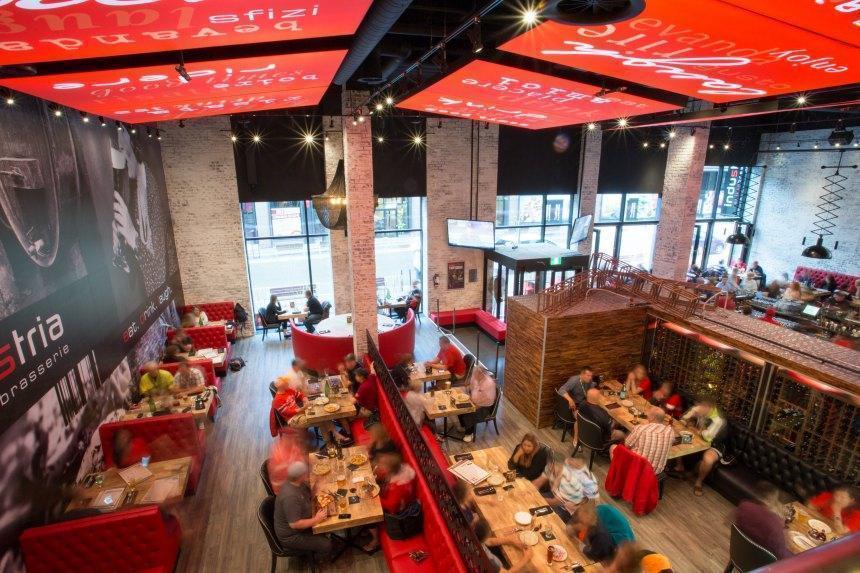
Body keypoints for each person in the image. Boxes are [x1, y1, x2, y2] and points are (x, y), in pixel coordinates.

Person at [273, 461, 332, 558]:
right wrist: (316, 519)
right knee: (327, 545)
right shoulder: (290, 497)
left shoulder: (296, 483)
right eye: (306, 473)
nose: (308, 474)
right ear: (301, 476)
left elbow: (308, 497)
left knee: (326, 525)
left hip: (303, 521)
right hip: (292, 536)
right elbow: (295, 524)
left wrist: (316, 486)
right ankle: (315, 559)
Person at [364, 451, 418, 552]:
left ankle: (375, 541)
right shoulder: (401, 468)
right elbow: (384, 474)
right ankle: (368, 530)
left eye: (383, 465)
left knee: (367, 514)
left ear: (388, 469)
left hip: (398, 513)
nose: (380, 466)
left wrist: (374, 496)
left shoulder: (398, 486)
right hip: (399, 502)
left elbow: (391, 506)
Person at [677, 399, 728, 497]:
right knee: (678, 437)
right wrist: (689, 416)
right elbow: (682, 418)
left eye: (702, 406)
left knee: (708, 459)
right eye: (699, 405)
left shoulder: (718, 420)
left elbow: (708, 437)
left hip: (715, 444)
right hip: (699, 438)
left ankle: (698, 482)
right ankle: (680, 466)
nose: (699, 407)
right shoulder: (700, 409)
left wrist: (695, 430)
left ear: (710, 408)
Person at [734, 481, 791, 559]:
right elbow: (781, 555)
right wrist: (783, 526)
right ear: (769, 499)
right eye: (776, 501)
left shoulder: (743, 506)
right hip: (764, 564)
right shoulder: (774, 524)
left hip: (740, 554)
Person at [615, 407, 674, 475]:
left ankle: (620, 478)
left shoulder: (640, 429)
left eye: (648, 414)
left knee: (613, 448)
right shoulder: (670, 431)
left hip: (638, 469)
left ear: (653, 418)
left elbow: (626, 445)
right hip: (656, 472)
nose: (647, 416)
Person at [544, 455, 600, 521]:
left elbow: (556, 501)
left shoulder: (583, 482)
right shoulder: (562, 470)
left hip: (568, 510)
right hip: (561, 502)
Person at [458, 366, 497, 442]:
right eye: (475, 374)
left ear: (482, 374)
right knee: (458, 407)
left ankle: (469, 433)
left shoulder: (489, 383)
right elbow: (471, 386)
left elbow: (488, 399)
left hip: (485, 406)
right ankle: (464, 426)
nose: (475, 376)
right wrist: (466, 390)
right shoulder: (476, 377)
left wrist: (476, 405)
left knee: (469, 412)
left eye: (477, 375)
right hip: (474, 401)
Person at [267, 430, 309, 495]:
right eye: (292, 438)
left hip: (296, 482)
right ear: (284, 438)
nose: (295, 439)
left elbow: (302, 460)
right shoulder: (278, 454)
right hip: (286, 491)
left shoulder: (292, 446)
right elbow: (294, 476)